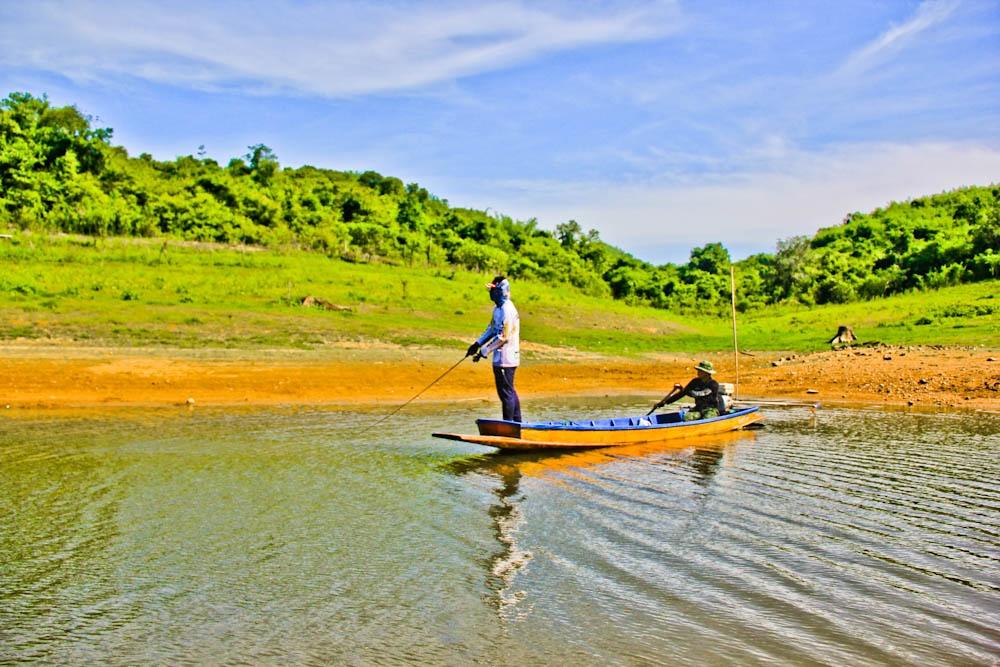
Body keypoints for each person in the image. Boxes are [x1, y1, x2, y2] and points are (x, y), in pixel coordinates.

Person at [466, 276, 521, 422]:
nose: (491, 292)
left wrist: (485, 350)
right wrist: (476, 344)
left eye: (494, 290)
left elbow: (504, 337)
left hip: (507, 357)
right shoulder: (497, 309)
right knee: (507, 391)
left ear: (501, 291)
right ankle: (516, 423)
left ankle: (510, 425)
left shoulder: (507, 310)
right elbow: (491, 329)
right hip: (499, 356)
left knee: (506, 393)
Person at [651, 360, 723, 421]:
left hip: (710, 409)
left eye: (700, 371)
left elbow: (701, 394)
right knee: (686, 418)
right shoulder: (695, 381)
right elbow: (682, 394)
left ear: (707, 373)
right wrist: (664, 403)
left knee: (707, 419)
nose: (698, 372)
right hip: (698, 408)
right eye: (698, 370)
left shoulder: (713, 384)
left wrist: (684, 390)